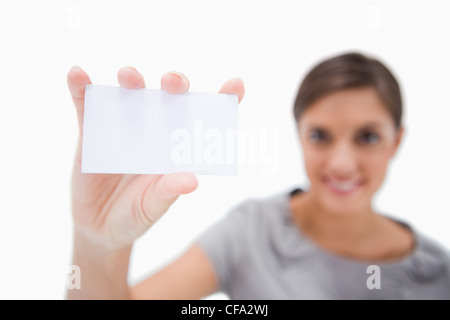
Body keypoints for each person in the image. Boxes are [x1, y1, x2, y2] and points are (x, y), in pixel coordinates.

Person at [66, 52, 450, 300]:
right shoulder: (251, 233)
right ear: (298, 134)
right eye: (320, 136)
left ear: (397, 141)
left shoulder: (439, 273)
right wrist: (98, 244)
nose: (343, 162)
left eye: (367, 136)